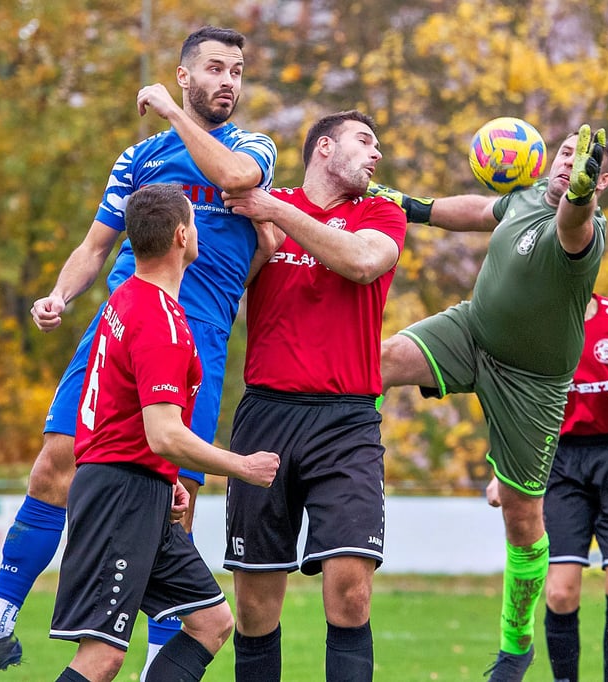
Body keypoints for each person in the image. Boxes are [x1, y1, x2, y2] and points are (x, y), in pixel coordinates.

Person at [0, 26, 277, 682]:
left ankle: (160, 661)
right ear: (185, 73)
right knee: (51, 467)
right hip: (117, 325)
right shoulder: (138, 158)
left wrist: (176, 115)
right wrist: (60, 295)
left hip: (194, 337)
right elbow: (96, 245)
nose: (228, 81)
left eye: (236, 70)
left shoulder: (250, 148)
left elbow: (238, 178)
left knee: (174, 496)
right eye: (214, 68)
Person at [372, 123, 608, 680]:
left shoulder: (584, 229)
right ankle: (350, 464)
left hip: (532, 384)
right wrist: (411, 206)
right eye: (564, 154)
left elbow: (572, 223)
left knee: (522, 517)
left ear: (598, 180)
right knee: (378, 362)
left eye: (581, 163)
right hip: (471, 331)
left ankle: (515, 643)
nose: (566, 163)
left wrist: (580, 197)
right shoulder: (524, 195)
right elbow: (480, 210)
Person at [47, 183, 280, 682]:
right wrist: (242, 466)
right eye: (195, 224)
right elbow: (164, 434)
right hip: (119, 496)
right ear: (182, 235)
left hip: (139, 486)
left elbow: (127, 414)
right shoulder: (158, 319)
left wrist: (161, 475)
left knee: (211, 623)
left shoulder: (128, 298)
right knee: (103, 656)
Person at [215, 110, 406, 681]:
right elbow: (226, 285)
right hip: (266, 415)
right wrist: (261, 231)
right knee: (253, 607)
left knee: (351, 592)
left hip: (347, 420)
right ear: (324, 147)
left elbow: (362, 262)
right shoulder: (262, 212)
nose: (376, 154)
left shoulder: (380, 211)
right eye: (364, 141)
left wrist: (276, 210)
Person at [487, 293, 608, 682]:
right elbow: (516, 407)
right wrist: (501, 471)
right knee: (560, 592)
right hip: (560, 459)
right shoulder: (530, 326)